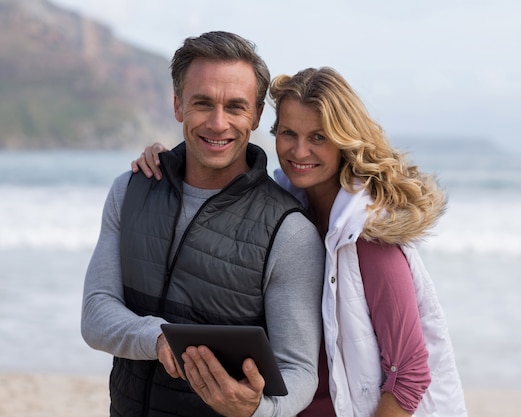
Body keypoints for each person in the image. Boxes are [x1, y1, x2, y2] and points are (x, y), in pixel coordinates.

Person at [133, 67, 468, 416]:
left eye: (319, 137)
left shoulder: (369, 239)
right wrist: (166, 163)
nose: (299, 150)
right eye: (288, 133)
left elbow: (409, 373)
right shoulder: (286, 213)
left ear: (345, 140)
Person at [81, 31, 325, 417]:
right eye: (202, 103)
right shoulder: (130, 190)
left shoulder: (289, 231)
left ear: (257, 114)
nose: (217, 123)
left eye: (235, 107)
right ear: (178, 105)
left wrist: (257, 408)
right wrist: (158, 338)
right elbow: (96, 314)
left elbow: (299, 370)